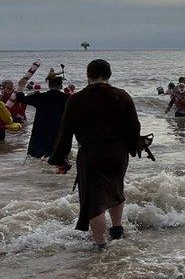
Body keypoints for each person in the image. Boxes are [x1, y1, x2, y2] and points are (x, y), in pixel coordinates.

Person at [47, 59, 142, 251]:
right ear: (109, 75)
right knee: (116, 189)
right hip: (118, 154)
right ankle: (116, 229)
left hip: (91, 154)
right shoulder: (123, 96)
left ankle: (100, 245)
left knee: (94, 201)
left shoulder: (76, 99)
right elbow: (134, 127)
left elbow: (65, 132)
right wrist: (132, 148)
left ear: (88, 75)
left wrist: (60, 159)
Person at [16, 70, 69, 159]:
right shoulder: (68, 98)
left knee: (36, 158)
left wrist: (21, 86)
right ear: (61, 86)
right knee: (57, 159)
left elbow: (20, 99)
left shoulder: (39, 97)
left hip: (40, 130)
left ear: (49, 85)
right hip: (59, 131)